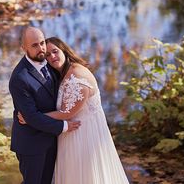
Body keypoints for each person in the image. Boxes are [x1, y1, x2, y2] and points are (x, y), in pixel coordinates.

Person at [19, 37, 129, 184]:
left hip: (83, 136)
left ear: (64, 50)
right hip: (70, 134)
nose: (52, 57)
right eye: (47, 55)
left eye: (55, 51)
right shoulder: (63, 73)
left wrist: (31, 117)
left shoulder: (77, 75)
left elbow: (67, 112)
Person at [9, 27, 81, 184]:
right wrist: (64, 126)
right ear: (24, 48)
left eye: (42, 43)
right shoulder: (19, 79)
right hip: (31, 144)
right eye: (34, 45)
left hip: (51, 140)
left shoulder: (49, 64)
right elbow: (31, 117)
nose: (41, 48)